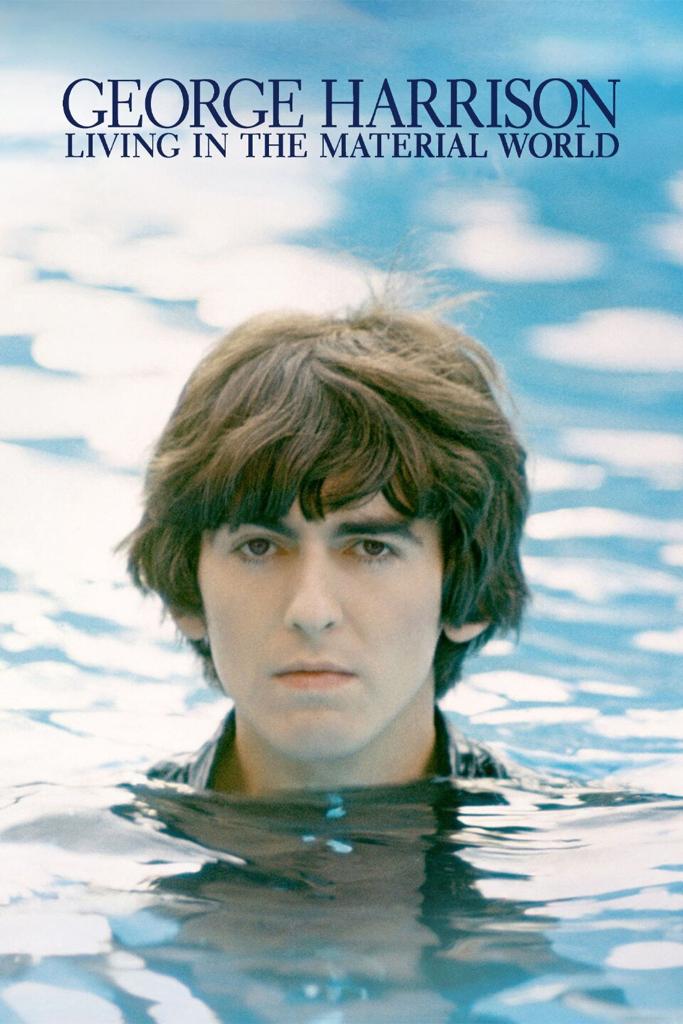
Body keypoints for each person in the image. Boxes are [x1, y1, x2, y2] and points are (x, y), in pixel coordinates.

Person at [122, 305, 529, 796]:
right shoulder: (80, 837)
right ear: (186, 595)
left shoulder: (582, 838)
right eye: (258, 547)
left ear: (470, 594)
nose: (311, 613)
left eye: (372, 548)